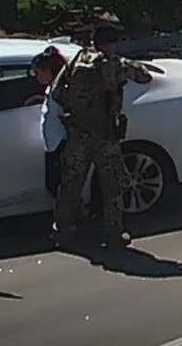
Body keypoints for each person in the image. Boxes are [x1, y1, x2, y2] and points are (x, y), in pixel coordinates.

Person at [51, 26, 151, 248]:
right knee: (112, 185)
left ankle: (64, 232)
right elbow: (145, 76)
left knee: (70, 184)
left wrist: (78, 109)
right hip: (104, 135)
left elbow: (57, 92)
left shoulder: (76, 60)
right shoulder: (112, 63)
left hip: (78, 133)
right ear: (110, 44)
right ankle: (113, 233)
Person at [34, 47, 69, 197]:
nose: (36, 76)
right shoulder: (53, 89)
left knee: (59, 187)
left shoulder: (61, 92)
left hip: (60, 145)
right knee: (53, 186)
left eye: (39, 72)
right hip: (53, 145)